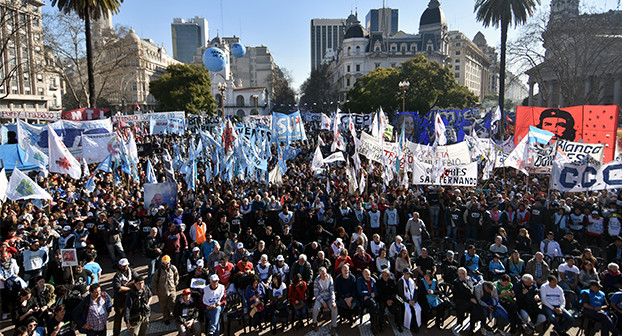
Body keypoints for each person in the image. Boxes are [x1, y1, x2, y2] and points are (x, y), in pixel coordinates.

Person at [453, 267, 488, 336]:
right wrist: (469, 299)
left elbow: (472, 288)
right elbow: (458, 295)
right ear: (459, 274)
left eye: (465, 273)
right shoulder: (456, 282)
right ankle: (477, 325)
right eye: (463, 273)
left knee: (478, 307)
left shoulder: (469, 278)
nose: (465, 275)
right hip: (462, 300)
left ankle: (479, 325)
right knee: (474, 308)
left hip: (471, 299)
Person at [112, 258, 138, 336]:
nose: (125, 267)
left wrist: (125, 286)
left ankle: (132, 332)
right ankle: (116, 333)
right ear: (120, 266)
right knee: (118, 319)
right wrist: (130, 287)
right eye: (123, 266)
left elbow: (137, 280)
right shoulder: (116, 276)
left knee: (132, 316)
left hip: (130, 299)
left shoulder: (132, 271)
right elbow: (118, 288)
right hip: (120, 301)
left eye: (126, 265)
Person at [151, 255, 179, 325]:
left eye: (168, 263)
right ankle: (166, 317)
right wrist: (155, 291)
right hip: (162, 292)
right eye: (164, 263)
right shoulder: (158, 271)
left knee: (173, 303)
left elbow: (176, 276)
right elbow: (153, 281)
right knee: (163, 306)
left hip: (172, 290)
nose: (166, 264)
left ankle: (175, 316)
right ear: (162, 263)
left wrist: (175, 284)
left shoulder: (173, 268)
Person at [312, 267, 338, 336]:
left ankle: (333, 326)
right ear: (320, 274)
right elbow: (316, 293)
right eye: (323, 274)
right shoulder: (316, 280)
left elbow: (332, 290)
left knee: (334, 308)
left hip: (329, 298)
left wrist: (333, 301)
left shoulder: (330, 278)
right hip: (320, 298)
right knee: (315, 308)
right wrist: (322, 302)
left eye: (325, 273)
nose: (325, 275)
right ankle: (314, 322)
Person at [377, 269, 404, 333]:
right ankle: (382, 325)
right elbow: (379, 293)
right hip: (383, 299)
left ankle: (399, 324)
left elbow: (395, 292)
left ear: (389, 276)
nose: (384, 277)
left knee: (398, 308)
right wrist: (386, 300)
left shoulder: (392, 281)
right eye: (383, 275)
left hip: (391, 299)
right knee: (381, 308)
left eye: (385, 275)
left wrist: (391, 300)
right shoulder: (379, 282)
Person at [357, 268, 381, 334]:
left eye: (369, 274)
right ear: (363, 274)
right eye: (366, 274)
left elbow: (376, 291)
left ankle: (374, 325)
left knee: (372, 307)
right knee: (372, 303)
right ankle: (377, 321)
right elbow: (360, 291)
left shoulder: (373, 280)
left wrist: (371, 295)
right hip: (364, 299)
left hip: (372, 298)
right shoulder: (360, 280)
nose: (368, 276)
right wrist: (370, 294)